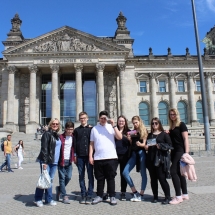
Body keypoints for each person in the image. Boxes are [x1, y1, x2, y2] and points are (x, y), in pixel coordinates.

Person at [89, 110, 122, 206]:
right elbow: (92, 144)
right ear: (99, 118)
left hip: (111, 157)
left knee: (110, 178)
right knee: (100, 178)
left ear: (107, 118)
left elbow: (120, 137)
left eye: (105, 118)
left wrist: (114, 125)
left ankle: (112, 196)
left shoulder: (111, 127)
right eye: (101, 118)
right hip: (98, 157)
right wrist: (90, 156)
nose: (103, 120)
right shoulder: (94, 129)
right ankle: (99, 195)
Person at [34, 118, 62, 207]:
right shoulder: (47, 134)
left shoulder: (57, 135)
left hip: (55, 161)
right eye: (53, 124)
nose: (55, 125)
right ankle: (38, 199)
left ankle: (48, 199)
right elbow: (44, 149)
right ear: (50, 124)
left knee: (50, 181)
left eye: (57, 124)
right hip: (47, 161)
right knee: (44, 179)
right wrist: (45, 162)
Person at [145, 117, 172, 204]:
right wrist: (146, 146)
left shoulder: (164, 134)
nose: (154, 125)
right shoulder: (150, 135)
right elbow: (147, 146)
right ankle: (155, 196)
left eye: (156, 123)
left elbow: (170, 145)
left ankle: (167, 197)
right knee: (153, 179)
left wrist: (160, 146)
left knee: (162, 178)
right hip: (151, 159)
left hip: (160, 160)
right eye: (153, 123)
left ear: (159, 124)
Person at [103, 115, 130, 202]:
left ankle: (123, 192)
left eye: (123, 121)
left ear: (125, 122)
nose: (121, 122)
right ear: (117, 122)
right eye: (120, 121)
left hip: (125, 155)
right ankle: (110, 192)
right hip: (114, 155)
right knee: (110, 174)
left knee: (123, 174)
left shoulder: (129, 132)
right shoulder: (113, 130)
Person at [122, 116, 147, 202]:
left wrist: (141, 144)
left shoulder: (144, 131)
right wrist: (129, 139)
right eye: (133, 123)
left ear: (139, 121)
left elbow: (144, 144)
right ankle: (135, 192)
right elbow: (131, 143)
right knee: (125, 172)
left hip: (141, 153)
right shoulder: (133, 132)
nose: (135, 124)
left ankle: (141, 194)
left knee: (143, 174)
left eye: (136, 122)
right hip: (133, 154)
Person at [168, 108, 190, 205]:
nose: (172, 116)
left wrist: (187, 152)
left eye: (174, 114)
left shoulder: (182, 125)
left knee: (173, 171)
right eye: (171, 114)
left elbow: (185, 138)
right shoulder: (172, 126)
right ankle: (185, 194)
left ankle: (178, 196)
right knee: (179, 172)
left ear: (177, 115)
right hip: (173, 151)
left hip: (180, 151)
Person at [73, 112, 94, 204]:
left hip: (89, 156)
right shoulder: (76, 130)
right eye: (81, 118)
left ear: (87, 118)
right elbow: (74, 144)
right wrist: (75, 155)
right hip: (80, 156)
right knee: (81, 176)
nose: (83, 119)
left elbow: (94, 143)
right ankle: (83, 194)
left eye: (84, 118)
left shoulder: (92, 129)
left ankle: (89, 195)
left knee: (90, 176)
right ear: (79, 119)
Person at [56, 121, 75, 204]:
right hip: (61, 160)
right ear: (65, 129)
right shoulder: (60, 137)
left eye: (71, 129)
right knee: (62, 178)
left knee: (69, 177)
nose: (70, 131)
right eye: (68, 129)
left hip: (69, 160)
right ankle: (64, 195)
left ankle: (59, 189)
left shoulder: (73, 137)